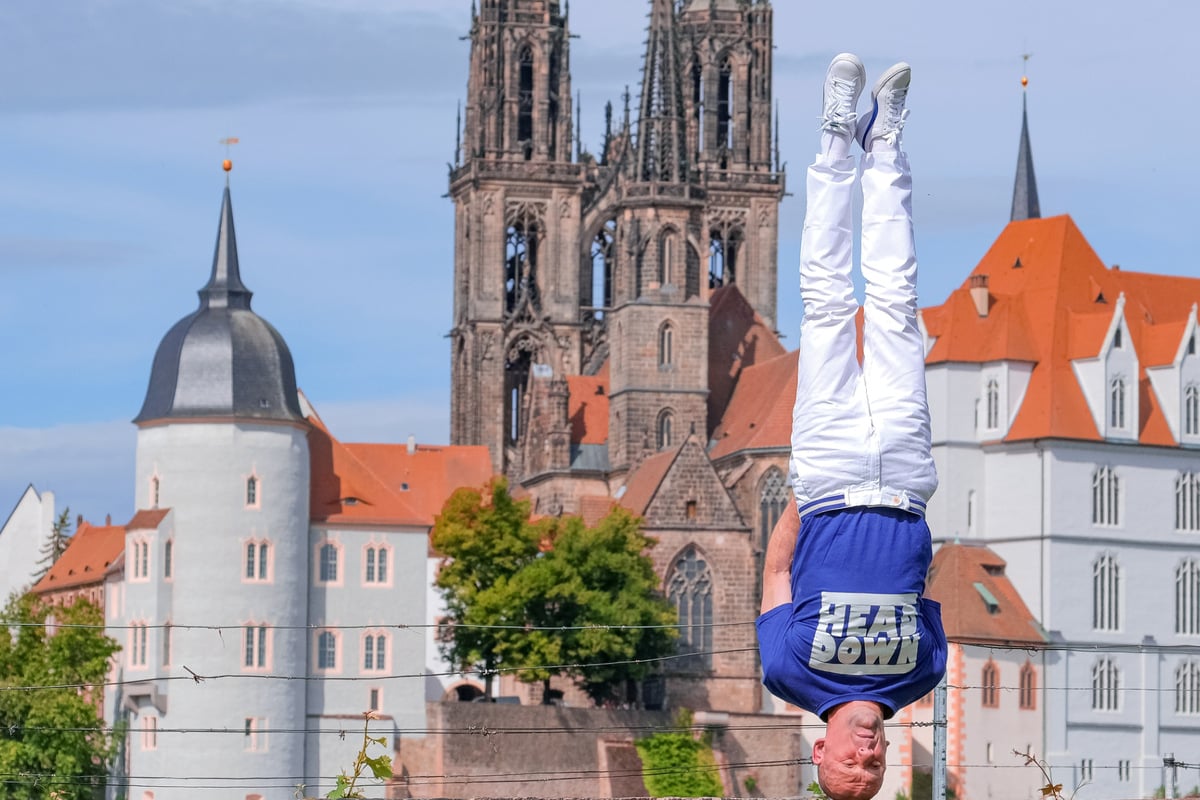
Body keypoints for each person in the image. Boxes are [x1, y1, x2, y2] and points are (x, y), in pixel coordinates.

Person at [756, 54, 948, 800]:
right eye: (875, 768)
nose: (867, 756)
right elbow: (918, 580)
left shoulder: (788, 672)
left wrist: (814, 490)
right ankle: (888, 145)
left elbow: (777, 571)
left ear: (820, 754)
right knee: (898, 306)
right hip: (903, 479)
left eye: (851, 765)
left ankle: (838, 138)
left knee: (829, 305)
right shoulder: (922, 674)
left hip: (831, 476)